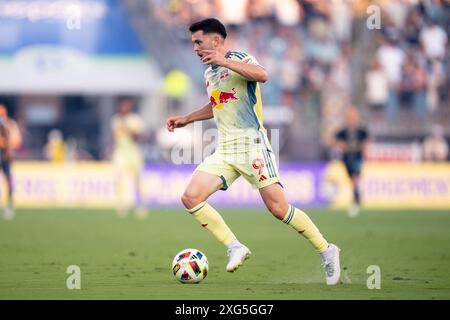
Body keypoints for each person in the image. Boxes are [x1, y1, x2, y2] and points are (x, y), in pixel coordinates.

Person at [166, 18, 341, 285]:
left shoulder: (239, 57)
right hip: (225, 148)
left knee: (279, 209)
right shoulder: (209, 73)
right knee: (191, 197)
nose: (195, 48)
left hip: (252, 144)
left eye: (198, 42)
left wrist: (224, 61)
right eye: (193, 44)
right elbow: (217, 104)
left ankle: (327, 250)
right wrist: (187, 119)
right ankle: (234, 246)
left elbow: (262, 75)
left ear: (216, 40)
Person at [111, 97, 147, 219]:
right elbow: (115, 137)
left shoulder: (135, 120)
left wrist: (128, 128)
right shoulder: (115, 119)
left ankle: (140, 205)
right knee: (120, 179)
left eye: (126, 105)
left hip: (133, 151)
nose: (123, 108)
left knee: (138, 179)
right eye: (122, 105)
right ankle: (122, 206)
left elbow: (137, 138)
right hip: (120, 151)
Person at [334, 106, 370, 218]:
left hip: (357, 157)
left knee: (355, 176)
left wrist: (361, 147)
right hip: (347, 158)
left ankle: (356, 199)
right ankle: (357, 195)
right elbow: (337, 141)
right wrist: (343, 146)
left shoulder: (361, 130)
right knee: (352, 178)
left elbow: (367, 140)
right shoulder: (343, 131)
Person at [0, 105, 22, 220]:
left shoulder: (11, 125)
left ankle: (9, 204)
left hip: (5, 154)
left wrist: (7, 145)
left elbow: (16, 140)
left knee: (8, 178)